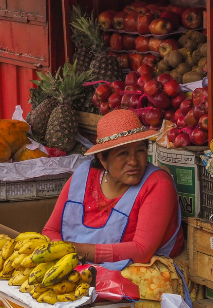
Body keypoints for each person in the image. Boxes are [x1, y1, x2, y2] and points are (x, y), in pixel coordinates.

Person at [42, 109, 184, 269]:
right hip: (76, 264)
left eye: (140, 151)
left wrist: (75, 250)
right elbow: (51, 230)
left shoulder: (158, 184)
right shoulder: (84, 175)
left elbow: (141, 251)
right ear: (103, 159)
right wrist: (62, 253)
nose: (133, 161)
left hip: (140, 273)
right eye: (123, 153)